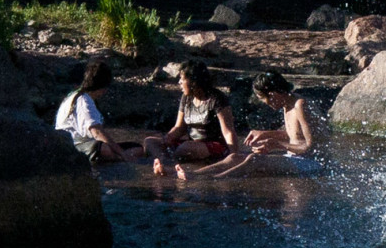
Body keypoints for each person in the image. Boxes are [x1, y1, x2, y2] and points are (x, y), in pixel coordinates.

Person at [170, 71, 327, 181]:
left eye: (264, 99)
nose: (266, 104)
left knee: (254, 160)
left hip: (312, 163)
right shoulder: (287, 104)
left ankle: (212, 179)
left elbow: (311, 147)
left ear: (272, 94)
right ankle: (195, 174)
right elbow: (293, 135)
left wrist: (276, 144)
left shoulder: (300, 105)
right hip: (296, 158)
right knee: (234, 157)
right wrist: (265, 134)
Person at [146, 60, 238, 171]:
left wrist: (234, 156)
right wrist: (167, 138)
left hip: (214, 146)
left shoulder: (217, 99)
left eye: (182, 79)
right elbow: (179, 128)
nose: (179, 82)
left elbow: (228, 131)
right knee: (150, 142)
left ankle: (169, 166)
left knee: (185, 148)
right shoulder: (186, 98)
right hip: (189, 146)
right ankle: (164, 163)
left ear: (194, 81)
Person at [54, 60, 145, 164]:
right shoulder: (84, 100)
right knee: (104, 149)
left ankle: (114, 158)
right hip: (73, 146)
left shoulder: (78, 95)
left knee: (138, 149)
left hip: (85, 143)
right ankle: (117, 159)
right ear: (102, 86)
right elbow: (97, 132)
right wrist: (123, 154)